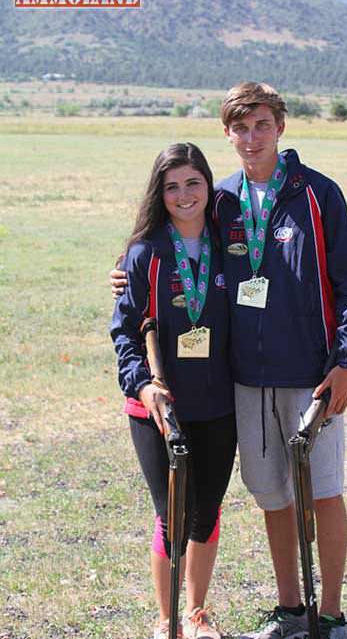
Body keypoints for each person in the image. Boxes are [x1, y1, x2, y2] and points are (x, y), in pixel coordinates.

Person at [111, 83, 347, 639]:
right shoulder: (223, 200)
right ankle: (290, 612)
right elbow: (167, 245)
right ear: (227, 135)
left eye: (261, 125)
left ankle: (331, 615)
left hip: (312, 377)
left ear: (280, 126)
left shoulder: (317, 195)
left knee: (322, 492)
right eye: (240, 128)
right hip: (245, 383)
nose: (252, 138)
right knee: (274, 497)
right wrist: (123, 269)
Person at [110, 143, 237, 639]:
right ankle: (167, 622)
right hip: (158, 408)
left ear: (209, 184)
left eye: (193, 183)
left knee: (207, 509)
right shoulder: (145, 253)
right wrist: (142, 386)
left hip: (218, 402)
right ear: (158, 194)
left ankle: (197, 613)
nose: (184, 195)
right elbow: (124, 330)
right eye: (172, 187)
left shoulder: (231, 241)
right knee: (172, 512)